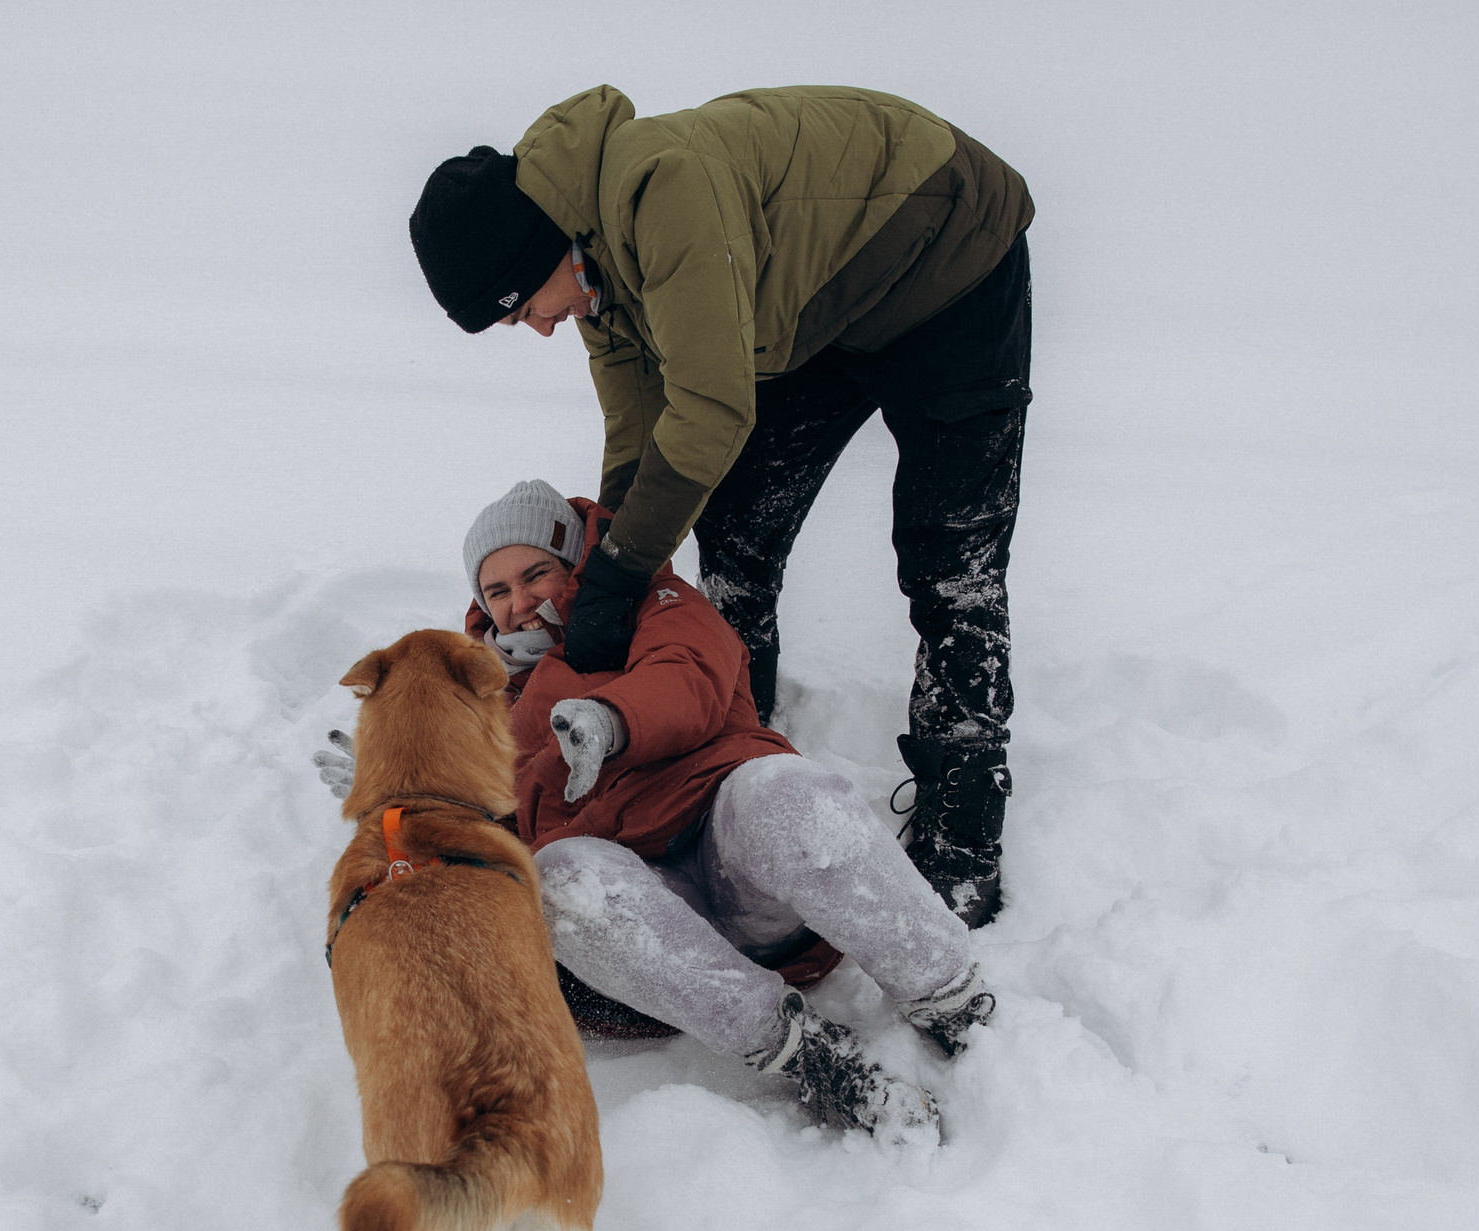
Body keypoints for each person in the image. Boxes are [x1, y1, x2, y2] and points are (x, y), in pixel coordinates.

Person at [407, 85, 1034, 928]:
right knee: (738, 531)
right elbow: (637, 431)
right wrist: (608, 571)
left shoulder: (661, 194)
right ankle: (727, 750)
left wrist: (625, 571)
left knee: (950, 558)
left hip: (948, 256)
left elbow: (709, 409)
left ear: (535, 255)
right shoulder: (589, 266)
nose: (543, 329)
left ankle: (962, 836)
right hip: (818, 307)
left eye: (524, 310)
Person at [320, 480, 993, 1137]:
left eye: (536, 575)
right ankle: (806, 1054)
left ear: (575, 561)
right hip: (647, 942)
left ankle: (954, 999)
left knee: (786, 794)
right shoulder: (479, 702)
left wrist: (612, 718)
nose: (521, 603)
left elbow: (689, 675)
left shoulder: (656, 601)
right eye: (498, 591)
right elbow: (476, 841)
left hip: (739, 862)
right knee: (562, 877)